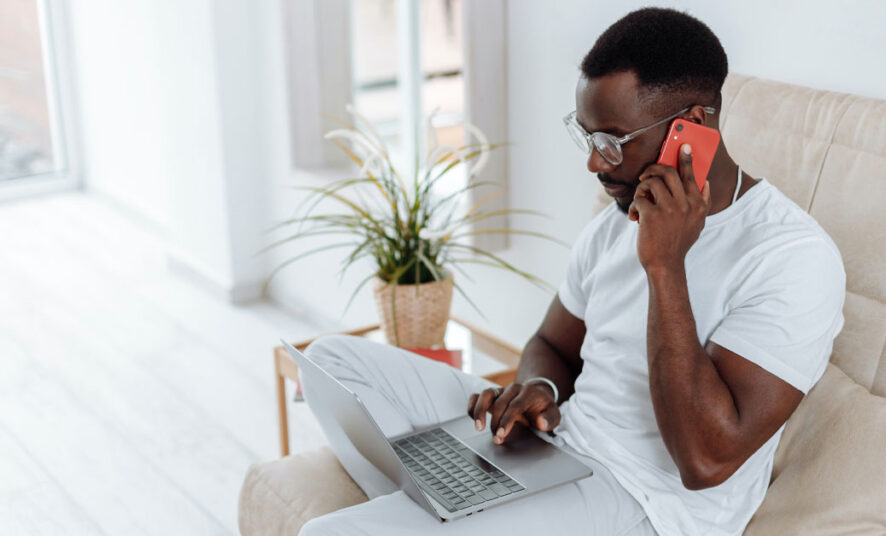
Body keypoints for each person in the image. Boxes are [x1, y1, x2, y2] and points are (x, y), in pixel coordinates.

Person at [298, 7, 845, 536]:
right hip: (560, 448)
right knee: (331, 361)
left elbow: (704, 462)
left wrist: (665, 264)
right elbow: (552, 344)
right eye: (586, 137)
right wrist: (540, 388)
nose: (594, 163)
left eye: (610, 142)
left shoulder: (791, 256)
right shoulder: (615, 221)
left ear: (692, 127)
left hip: (645, 501)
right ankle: (446, 505)